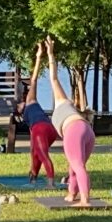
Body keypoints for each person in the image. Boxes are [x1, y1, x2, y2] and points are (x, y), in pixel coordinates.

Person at [44, 38, 94, 206]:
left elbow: (54, 78)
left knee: (77, 165)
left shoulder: (62, 101)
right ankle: (72, 194)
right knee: (74, 166)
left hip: (74, 130)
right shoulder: (76, 112)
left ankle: (85, 200)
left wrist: (50, 54)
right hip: (87, 131)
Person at [21, 41, 59, 187]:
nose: (20, 102)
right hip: (49, 130)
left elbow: (34, 79)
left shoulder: (30, 101)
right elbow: (32, 148)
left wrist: (38, 57)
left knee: (42, 154)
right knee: (37, 153)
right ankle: (34, 178)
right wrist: (32, 167)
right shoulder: (28, 111)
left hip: (42, 128)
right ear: (20, 109)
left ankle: (50, 182)